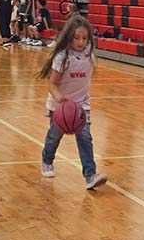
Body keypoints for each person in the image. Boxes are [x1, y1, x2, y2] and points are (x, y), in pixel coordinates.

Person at [37, 15, 107, 190]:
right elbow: (52, 83)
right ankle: (46, 160)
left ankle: (90, 175)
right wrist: (59, 98)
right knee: (54, 136)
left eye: (84, 38)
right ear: (69, 36)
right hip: (61, 105)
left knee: (85, 138)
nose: (81, 42)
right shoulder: (62, 57)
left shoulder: (88, 52)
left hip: (81, 104)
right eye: (77, 37)